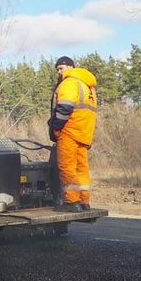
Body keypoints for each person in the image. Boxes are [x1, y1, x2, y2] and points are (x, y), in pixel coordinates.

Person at [48, 56, 98, 212]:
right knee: (81, 169)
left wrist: (56, 126)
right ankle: (84, 202)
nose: (59, 71)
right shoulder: (88, 87)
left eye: (61, 68)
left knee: (67, 167)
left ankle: (72, 202)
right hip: (83, 134)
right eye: (57, 69)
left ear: (70, 67)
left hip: (68, 132)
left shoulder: (69, 83)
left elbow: (65, 107)